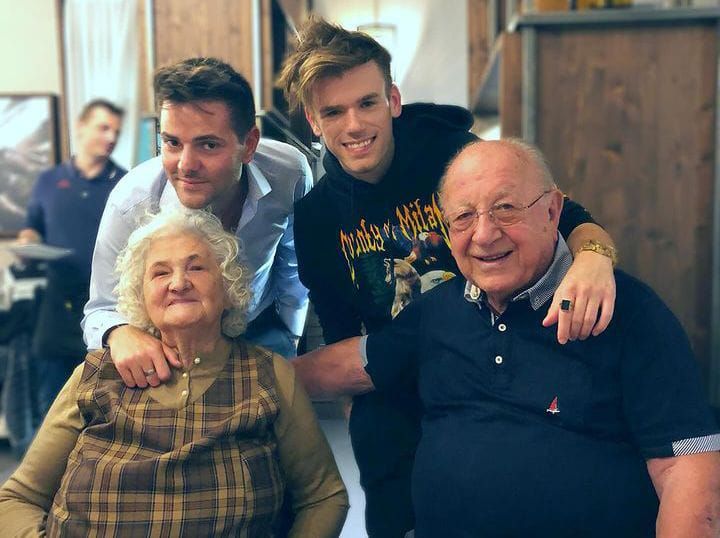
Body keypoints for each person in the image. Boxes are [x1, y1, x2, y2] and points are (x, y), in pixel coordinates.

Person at [277, 17, 618, 537]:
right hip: (400, 371)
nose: (354, 125)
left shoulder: (451, 151)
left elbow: (564, 214)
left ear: (393, 100)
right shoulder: (315, 217)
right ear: (313, 121)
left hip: (498, 346)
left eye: (367, 103)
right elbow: (342, 332)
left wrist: (594, 259)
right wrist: (365, 419)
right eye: (333, 112)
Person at [292, 139, 720, 537]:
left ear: (552, 211)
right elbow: (355, 364)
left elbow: (687, 472)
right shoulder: (437, 310)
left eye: (505, 209)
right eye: (463, 217)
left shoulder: (627, 312)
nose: (484, 234)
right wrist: (262, 370)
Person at [0, 208, 348, 536]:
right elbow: (17, 499)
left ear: (229, 288)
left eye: (196, 268)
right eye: (160, 272)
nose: (178, 283)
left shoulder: (268, 375)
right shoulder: (96, 375)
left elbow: (323, 497)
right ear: (141, 296)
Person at [83, 57, 313, 391]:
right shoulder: (131, 203)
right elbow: (100, 309)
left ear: (249, 145)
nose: (186, 165)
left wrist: (290, 336)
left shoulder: (289, 174)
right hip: (168, 347)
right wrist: (118, 332)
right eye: (172, 143)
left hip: (260, 330)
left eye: (208, 145)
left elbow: (293, 262)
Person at [17, 99, 126, 418]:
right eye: (103, 128)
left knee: (101, 403)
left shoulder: (124, 183)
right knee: (50, 403)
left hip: (109, 304)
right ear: (80, 127)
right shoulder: (48, 181)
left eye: (116, 132)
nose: (111, 138)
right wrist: (28, 242)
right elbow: (33, 227)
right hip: (57, 304)